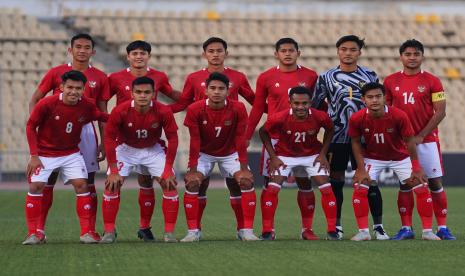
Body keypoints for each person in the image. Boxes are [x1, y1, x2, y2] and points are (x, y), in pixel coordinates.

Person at [169, 37, 256, 233]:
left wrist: (279, 108)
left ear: (226, 53)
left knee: (236, 184)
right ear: (204, 54)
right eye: (211, 51)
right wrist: (159, 111)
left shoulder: (239, 77)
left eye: (219, 51)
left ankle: (244, 230)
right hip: (204, 140)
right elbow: (183, 103)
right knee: (199, 184)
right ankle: (194, 230)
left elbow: (254, 101)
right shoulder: (193, 78)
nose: (215, 54)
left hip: (230, 139)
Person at [27, 33, 109, 238]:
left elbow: (101, 112)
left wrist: (105, 142)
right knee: (48, 180)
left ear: (93, 51)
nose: (82, 51)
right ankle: (39, 230)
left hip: (86, 129)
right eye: (78, 47)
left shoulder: (100, 76)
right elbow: (35, 99)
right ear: (70, 50)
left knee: (87, 182)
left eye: (87, 47)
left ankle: (89, 230)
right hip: (55, 131)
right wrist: (39, 127)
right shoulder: (56, 72)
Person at [311, 35, 386, 240]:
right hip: (337, 137)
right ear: (338, 51)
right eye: (343, 49)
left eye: (353, 49)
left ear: (359, 52)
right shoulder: (326, 77)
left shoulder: (370, 75)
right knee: (336, 181)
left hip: (364, 138)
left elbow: (377, 104)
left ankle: (378, 227)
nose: (348, 53)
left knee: (369, 180)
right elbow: (315, 106)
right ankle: (336, 226)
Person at [245, 38, 319, 236]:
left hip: (304, 139)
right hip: (276, 139)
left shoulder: (311, 76)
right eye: (283, 50)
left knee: (305, 182)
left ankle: (307, 229)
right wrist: (246, 134)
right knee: (271, 183)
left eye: (291, 50)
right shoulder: (266, 77)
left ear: (298, 53)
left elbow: (318, 105)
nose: (287, 54)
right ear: (276, 54)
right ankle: (268, 229)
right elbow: (258, 108)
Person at [348, 82, 440, 241]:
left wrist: (416, 167)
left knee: (421, 186)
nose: (375, 100)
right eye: (370, 97)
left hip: (400, 158)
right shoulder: (357, 118)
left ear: (384, 98)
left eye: (378, 96)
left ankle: (427, 231)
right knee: (360, 187)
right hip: (373, 158)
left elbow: (410, 142)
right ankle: (363, 232)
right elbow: (355, 142)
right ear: (363, 99)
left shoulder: (399, 115)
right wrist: (361, 168)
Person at [384, 39, 455, 240]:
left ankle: (442, 227)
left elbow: (440, 112)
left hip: (427, 140)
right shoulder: (390, 81)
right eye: (408, 54)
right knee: (406, 184)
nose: (412, 58)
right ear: (401, 57)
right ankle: (406, 228)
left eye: (416, 54)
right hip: (401, 143)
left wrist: (421, 135)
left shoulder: (433, 81)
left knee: (434, 183)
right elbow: (387, 111)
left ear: (422, 56)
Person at [181, 72, 258, 242]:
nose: (217, 92)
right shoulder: (195, 108)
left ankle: (245, 230)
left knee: (245, 181)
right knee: (193, 183)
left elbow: (240, 138)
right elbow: (194, 140)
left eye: (221, 88)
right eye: (213, 88)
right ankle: (193, 231)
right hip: (204, 153)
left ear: (227, 91)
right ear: (206, 90)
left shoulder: (238, 107)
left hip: (230, 154)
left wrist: (244, 167)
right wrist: (192, 169)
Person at [102, 76, 179, 243]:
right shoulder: (120, 110)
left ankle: (169, 233)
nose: (142, 95)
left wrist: (167, 169)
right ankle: (109, 231)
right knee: (111, 184)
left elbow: (173, 139)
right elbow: (109, 139)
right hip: (126, 149)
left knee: (169, 184)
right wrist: (113, 170)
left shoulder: (163, 110)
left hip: (152, 150)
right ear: (132, 93)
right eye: (138, 92)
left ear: (153, 94)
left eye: (146, 92)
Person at [259, 86, 338, 240]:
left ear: (310, 103)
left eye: (304, 103)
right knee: (272, 189)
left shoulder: (320, 116)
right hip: (284, 156)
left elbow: (330, 129)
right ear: (290, 102)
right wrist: (273, 156)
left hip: (312, 155)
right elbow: (263, 132)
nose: (300, 107)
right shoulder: (279, 117)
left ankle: (327, 230)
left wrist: (322, 153)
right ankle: (268, 231)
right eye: (296, 103)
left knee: (327, 189)